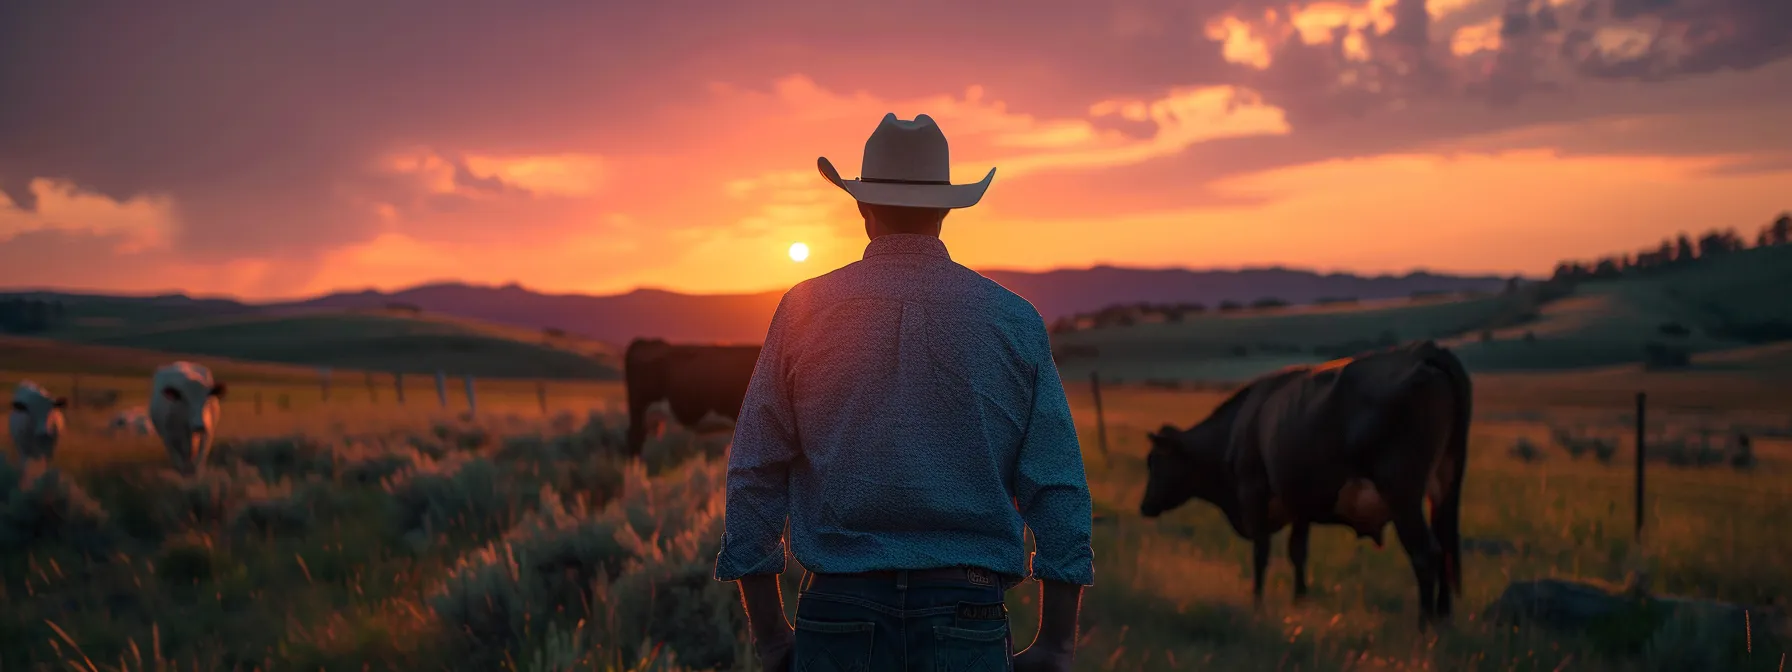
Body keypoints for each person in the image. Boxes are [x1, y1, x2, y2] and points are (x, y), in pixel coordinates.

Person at [714, 112, 1094, 671]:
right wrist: (1058, 642)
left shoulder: (803, 313)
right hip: (970, 613)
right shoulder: (1014, 321)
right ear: (946, 210)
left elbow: (754, 474)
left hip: (837, 611)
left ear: (863, 209)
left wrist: (772, 636)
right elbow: (1058, 487)